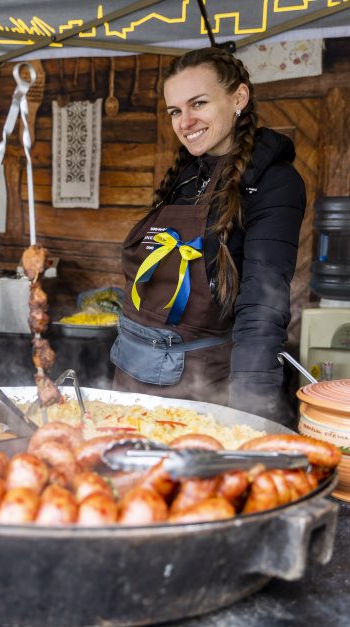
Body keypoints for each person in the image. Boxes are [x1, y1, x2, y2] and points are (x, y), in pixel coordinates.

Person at [109, 47, 305, 425]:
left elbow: (262, 308)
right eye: (175, 111)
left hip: (196, 394)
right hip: (129, 376)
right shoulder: (187, 175)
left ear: (239, 98)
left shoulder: (274, 183)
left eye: (198, 103)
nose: (185, 121)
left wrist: (250, 420)